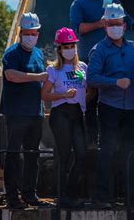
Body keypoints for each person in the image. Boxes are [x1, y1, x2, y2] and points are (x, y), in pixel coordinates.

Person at [70, 0, 134, 147]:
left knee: (112, 98)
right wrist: (100, 24)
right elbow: (78, 29)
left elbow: (131, 24)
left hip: (114, 60)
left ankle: (114, 140)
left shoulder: (113, 2)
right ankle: (91, 139)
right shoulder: (79, 4)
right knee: (90, 98)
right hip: (86, 59)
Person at [86, 3, 134, 209]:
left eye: (119, 23)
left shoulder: (130, 48)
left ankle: (132, 196)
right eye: (111, 23)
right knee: (107, 152)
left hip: (131, 108)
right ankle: (104, 197)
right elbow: (92, 78)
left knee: (130, 153)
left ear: (124, 25)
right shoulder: (99, 50)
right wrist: (114, 82)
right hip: (109, 108)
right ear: (105, 25)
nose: (116, 27)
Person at [0, 12, 49, 209]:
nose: (31, 36)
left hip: (35, 113)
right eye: (28, 33)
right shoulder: (11, 54)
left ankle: (30, 194)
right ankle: (12, 196)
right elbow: (11, 75)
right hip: (16, 112)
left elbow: (46, 77)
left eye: (34, 33)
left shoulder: (38, 53)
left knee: (32, 155)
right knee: (13, 154)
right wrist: (35, 77)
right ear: (21, 33)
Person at [41, 27, 87, 208]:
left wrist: (84, 98)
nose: (70, 49)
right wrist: (63, 95)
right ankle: (62, 196)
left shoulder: (82, 67)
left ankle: (71, 191)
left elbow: (87, 89)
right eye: (66, 46)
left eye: (72, 45)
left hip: (78, 112)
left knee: (82, 154)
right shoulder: (53, 70)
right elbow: (44, 95)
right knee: (64, 154)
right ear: (59, 49)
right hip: (61, 113)